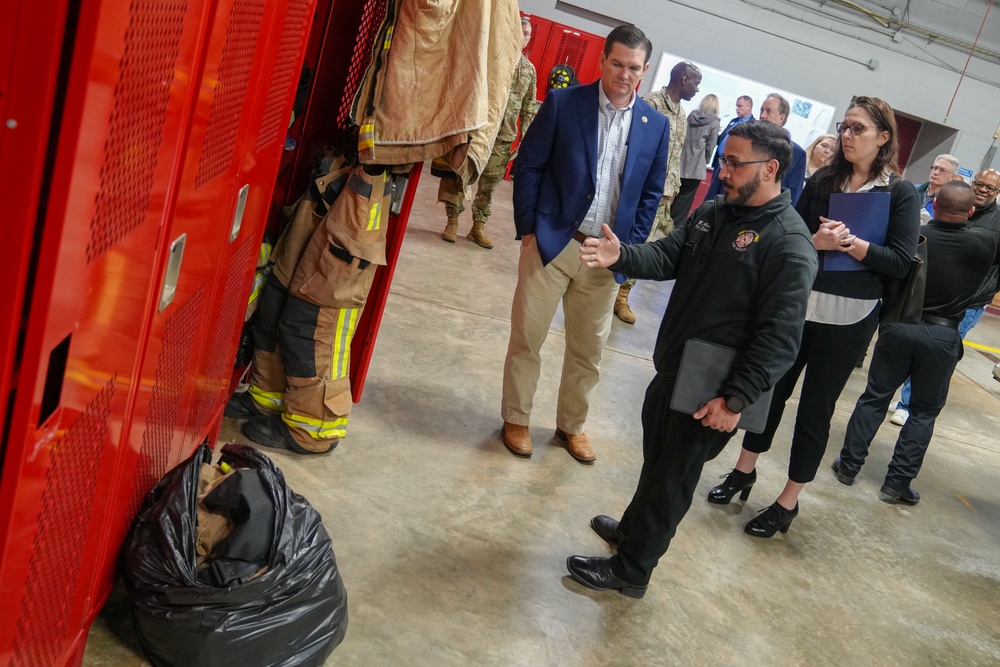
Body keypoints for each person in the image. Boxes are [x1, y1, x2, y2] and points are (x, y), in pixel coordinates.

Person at [564, 120, 817, 597]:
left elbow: (781, 339)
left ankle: (631, 572)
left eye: (735, 163)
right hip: (675, 368)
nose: (723, 171)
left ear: (771, 169)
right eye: (724, 160)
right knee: (657, 462)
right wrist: (623, 256)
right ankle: (631, 531)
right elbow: (666, 257)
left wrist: (736, 399)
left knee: (673, 480)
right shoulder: (717, 213)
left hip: (713, 390)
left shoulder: (789, 243)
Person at [707, 96, 920, 537]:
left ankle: (788, 501)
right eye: (845, 126)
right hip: (800, 305)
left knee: (815, 409)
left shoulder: (898, 193)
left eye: (858, 128)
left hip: (850, 317)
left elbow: (900, 262)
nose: (847, 135)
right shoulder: (825, 180)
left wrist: (851, 245)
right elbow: (793, 233)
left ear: (883, 138)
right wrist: (815, 243)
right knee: (769, 392)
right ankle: (744, 470)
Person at [500, 25, 670, 464]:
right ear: (602, 60)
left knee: (588, 352)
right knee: (528, 338)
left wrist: (627, 252)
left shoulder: (656, 126)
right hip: (555, 243)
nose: (625, 75)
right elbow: (530, 166)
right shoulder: (564, 103)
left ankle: (571, 426)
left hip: (605, 257)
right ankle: (516, 418)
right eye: (617, 64)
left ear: (645, 70)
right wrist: (531, 230)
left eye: (635, 68)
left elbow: (650, 194)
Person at [832, 182, 997, 504]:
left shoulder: (914, 238)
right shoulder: (985, 242)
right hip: (942, 335)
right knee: (923, 412)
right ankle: (896, 485)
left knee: (874, 398)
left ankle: (848, 466)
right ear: (972, 212)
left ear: (933, 206)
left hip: (897, 327)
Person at [889, 168, 1000, 425]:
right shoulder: (955, 206)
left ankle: (908, 404)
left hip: (968, 303)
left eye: (990, 188)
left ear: (997, 193)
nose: (983, 191)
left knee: (938, 357)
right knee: (916, 346)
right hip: (932, 294)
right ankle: (907, 397)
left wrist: (986, 291)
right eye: (979, 184)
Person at [613, 61, 702, 324]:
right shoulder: (650, 104)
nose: (697, 89)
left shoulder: (682, 114)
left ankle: (623, 294)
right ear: (684, 79)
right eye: (696, 83)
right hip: (641, 190)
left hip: (664, 194)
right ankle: (615, 291)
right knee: (631, 238)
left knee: (646, 243)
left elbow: (674, 157)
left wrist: (672, 191)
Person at [439, 16, 537, 248]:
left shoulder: (528, 70)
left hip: (503, 140)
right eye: (520, 31)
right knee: (461, 176)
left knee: (489, 185)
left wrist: (525, 141)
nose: (523, 36)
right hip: (480, 132)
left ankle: (477, 228)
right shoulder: (492, 58)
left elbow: (528, 108)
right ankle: (452, 221)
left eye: (527, 34)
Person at [704, 93, 807, 205]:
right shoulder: (743, 140)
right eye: (761, 110)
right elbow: (722, 174)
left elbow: (792, 196)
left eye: (768, 112)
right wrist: (709, 206)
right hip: (727, 205)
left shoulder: (796, 154)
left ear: (781, 118)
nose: (762, 115)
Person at [669, 94, 720, 226]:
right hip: (696, 165)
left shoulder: (692, 115)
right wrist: (706, 160)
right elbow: (711, 144)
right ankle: (676, 225)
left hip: (681, 160)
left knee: (674, 193)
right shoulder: (715, 122)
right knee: (686, 198)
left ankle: (665, 220)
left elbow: (681, 134)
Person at [712, 95, 754, 170]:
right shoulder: (734, 121)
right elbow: (722, 139)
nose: (737, 109)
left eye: (740, 106)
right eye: (736, 106)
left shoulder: (753, 125)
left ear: (749, 106)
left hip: (731, 165)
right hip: (719, 161)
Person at [914, 154, 960, 222]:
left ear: (952, 177)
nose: (935, 172)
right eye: (935, 168)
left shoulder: (950, 202)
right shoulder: (914, 189)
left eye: (942, 170)